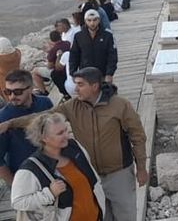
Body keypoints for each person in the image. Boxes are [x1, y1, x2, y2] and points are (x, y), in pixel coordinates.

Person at [1, 67, 147, 221]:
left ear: (94, 86)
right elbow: (43, 118)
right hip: (90, 174)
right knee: (102, 214)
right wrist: (11, 123)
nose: (75, 89)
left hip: (119, 173)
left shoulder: (120, 105)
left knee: (126, 215)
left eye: (80, 84)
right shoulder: (71, 106)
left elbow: (137, 136)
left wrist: (142, 167)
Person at [11, 112, 106, 221]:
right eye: (60, 133)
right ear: (44, 138)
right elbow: (17, 202)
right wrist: (49, 194)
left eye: (66, 130)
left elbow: (93, 178)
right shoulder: (30, 169)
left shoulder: (75, 147)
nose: (67, 135)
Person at [0, 70, 53, 186]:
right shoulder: (3, 117)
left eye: (18, 92)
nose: (12, 96)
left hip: (52, 168)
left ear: (30, 88)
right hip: (25, 176)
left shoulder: (45, 103)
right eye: (8, 92)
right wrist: (14, 185)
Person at [68, 10, 118, 84]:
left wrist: (109, 73)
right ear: (85, 21)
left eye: (95, 20)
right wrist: (73, 73)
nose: (92, 23)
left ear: (99, 20)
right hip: (85, 74)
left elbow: (112, 56)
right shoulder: (78, 36)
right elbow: (73, 55)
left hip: (103, 74)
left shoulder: (108, 35)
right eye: (89, 20)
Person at [31, 30, 70, 95]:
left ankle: (43, 92)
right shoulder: (68, 43)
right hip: (68, 67)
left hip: (58, 72)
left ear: (51, 40)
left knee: (35, 72)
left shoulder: (54, 50)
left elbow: (50, 66)